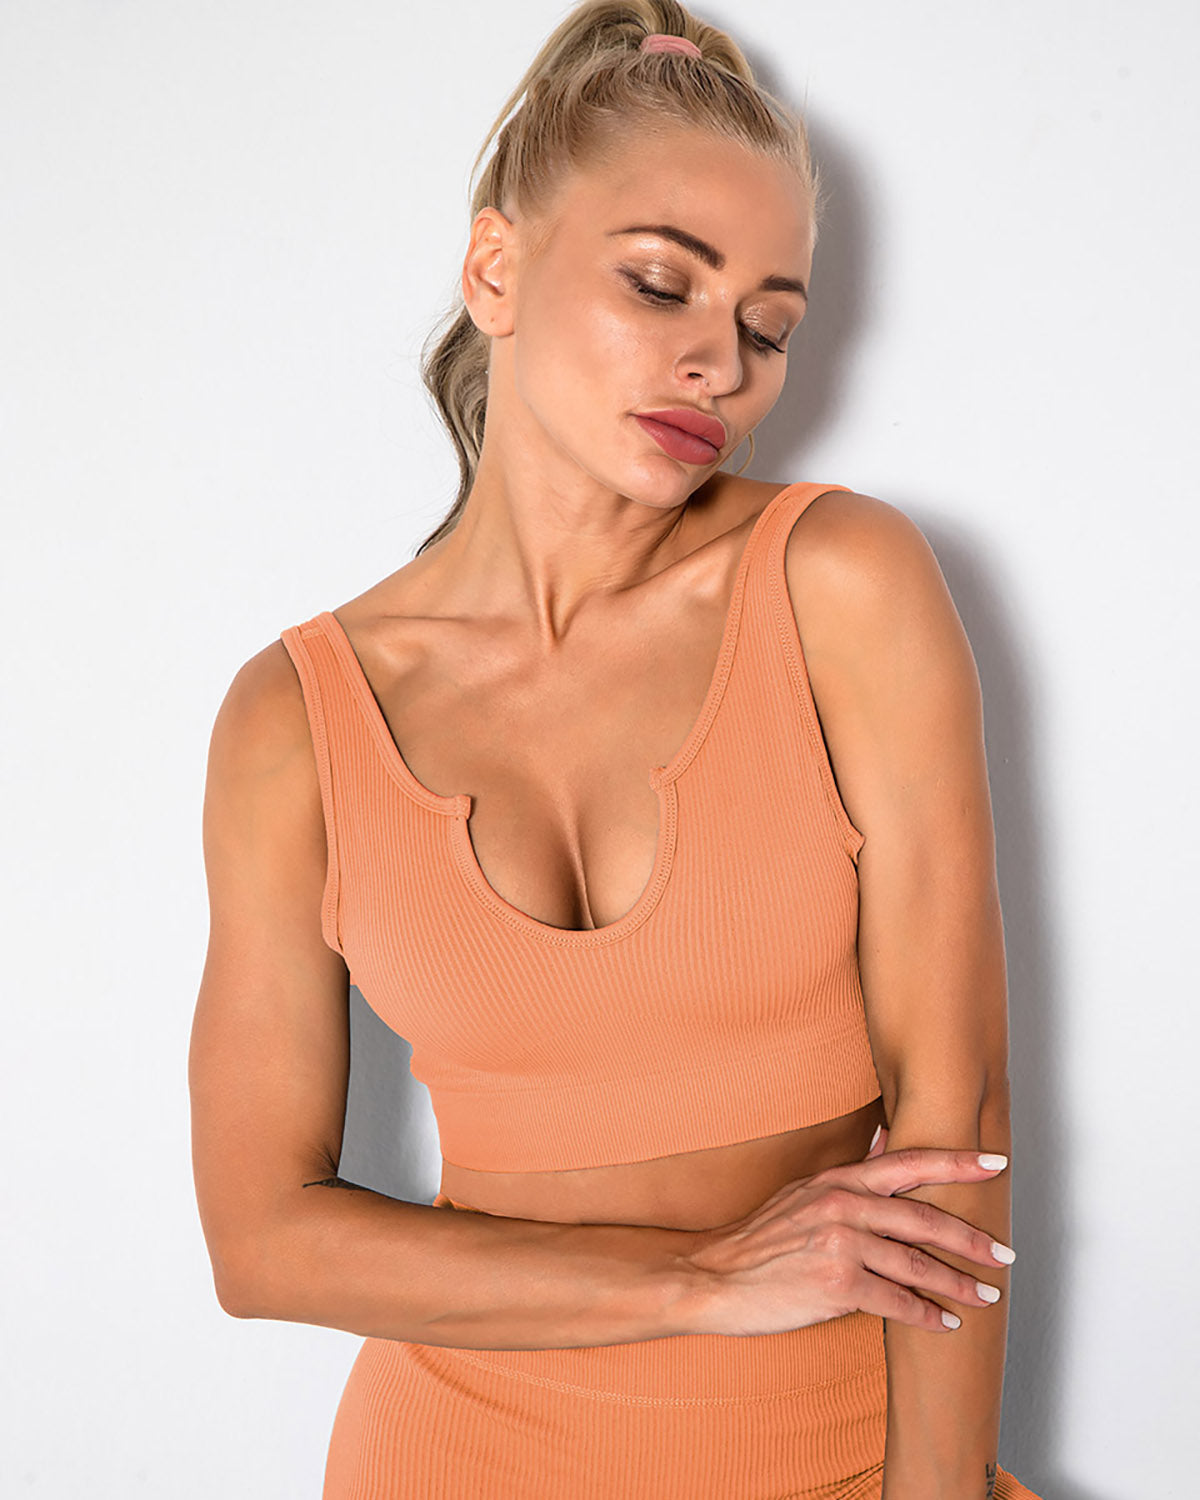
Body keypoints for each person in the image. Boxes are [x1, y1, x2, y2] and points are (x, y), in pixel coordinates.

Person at [188, 3, 1045, 1495]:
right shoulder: (296, 719)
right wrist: (704, 1281)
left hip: (836, 1453)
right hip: (446, 1455)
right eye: (661, 284)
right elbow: (260, 1242)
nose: (721, 362)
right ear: (495, 270)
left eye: (769, 326)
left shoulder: (840, 584)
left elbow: (956, 1117)